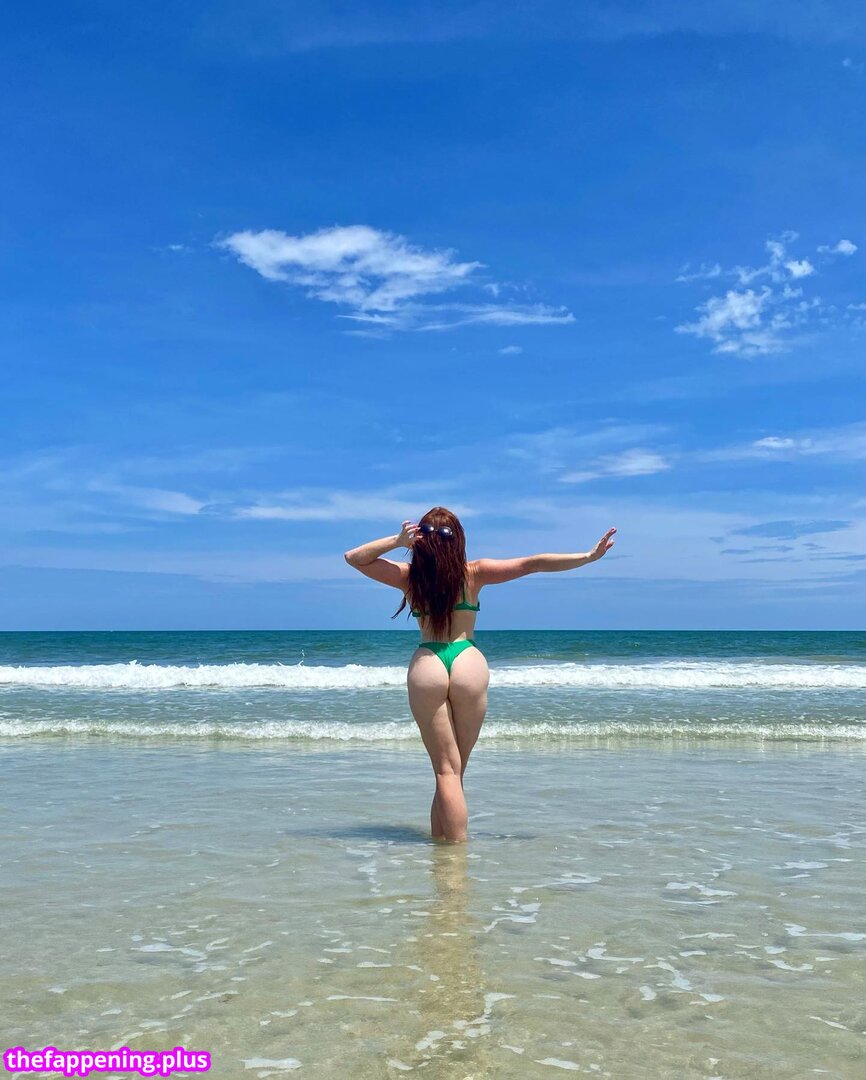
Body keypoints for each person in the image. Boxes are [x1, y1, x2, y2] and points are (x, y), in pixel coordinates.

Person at [344, 507, 617, 843]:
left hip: (428, 663)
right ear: (458, 540)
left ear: (420, 541)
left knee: (445, 770)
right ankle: (452, 855)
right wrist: (588, 557)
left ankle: (448, 855)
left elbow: (354, 558)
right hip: (468, 662)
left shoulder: (408, 577)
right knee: (454, 771)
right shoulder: (474, 573)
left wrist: (397, 541)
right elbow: (533, 563)